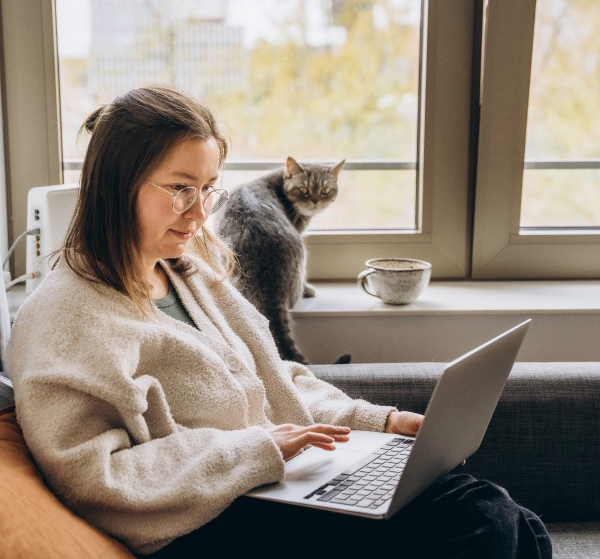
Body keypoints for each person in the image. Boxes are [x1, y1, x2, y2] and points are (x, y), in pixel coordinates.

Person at [5, 86, 551, 558]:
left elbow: (274, 378)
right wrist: (257, 449)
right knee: (483, 521)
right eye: (180, 189)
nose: (199, 215)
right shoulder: (67, 319)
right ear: (115, 184)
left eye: (208, 188)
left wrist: (373, 421)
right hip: (202, 526)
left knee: (506, 521)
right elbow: (93, 477)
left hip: (273, 487)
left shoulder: (191, 275)